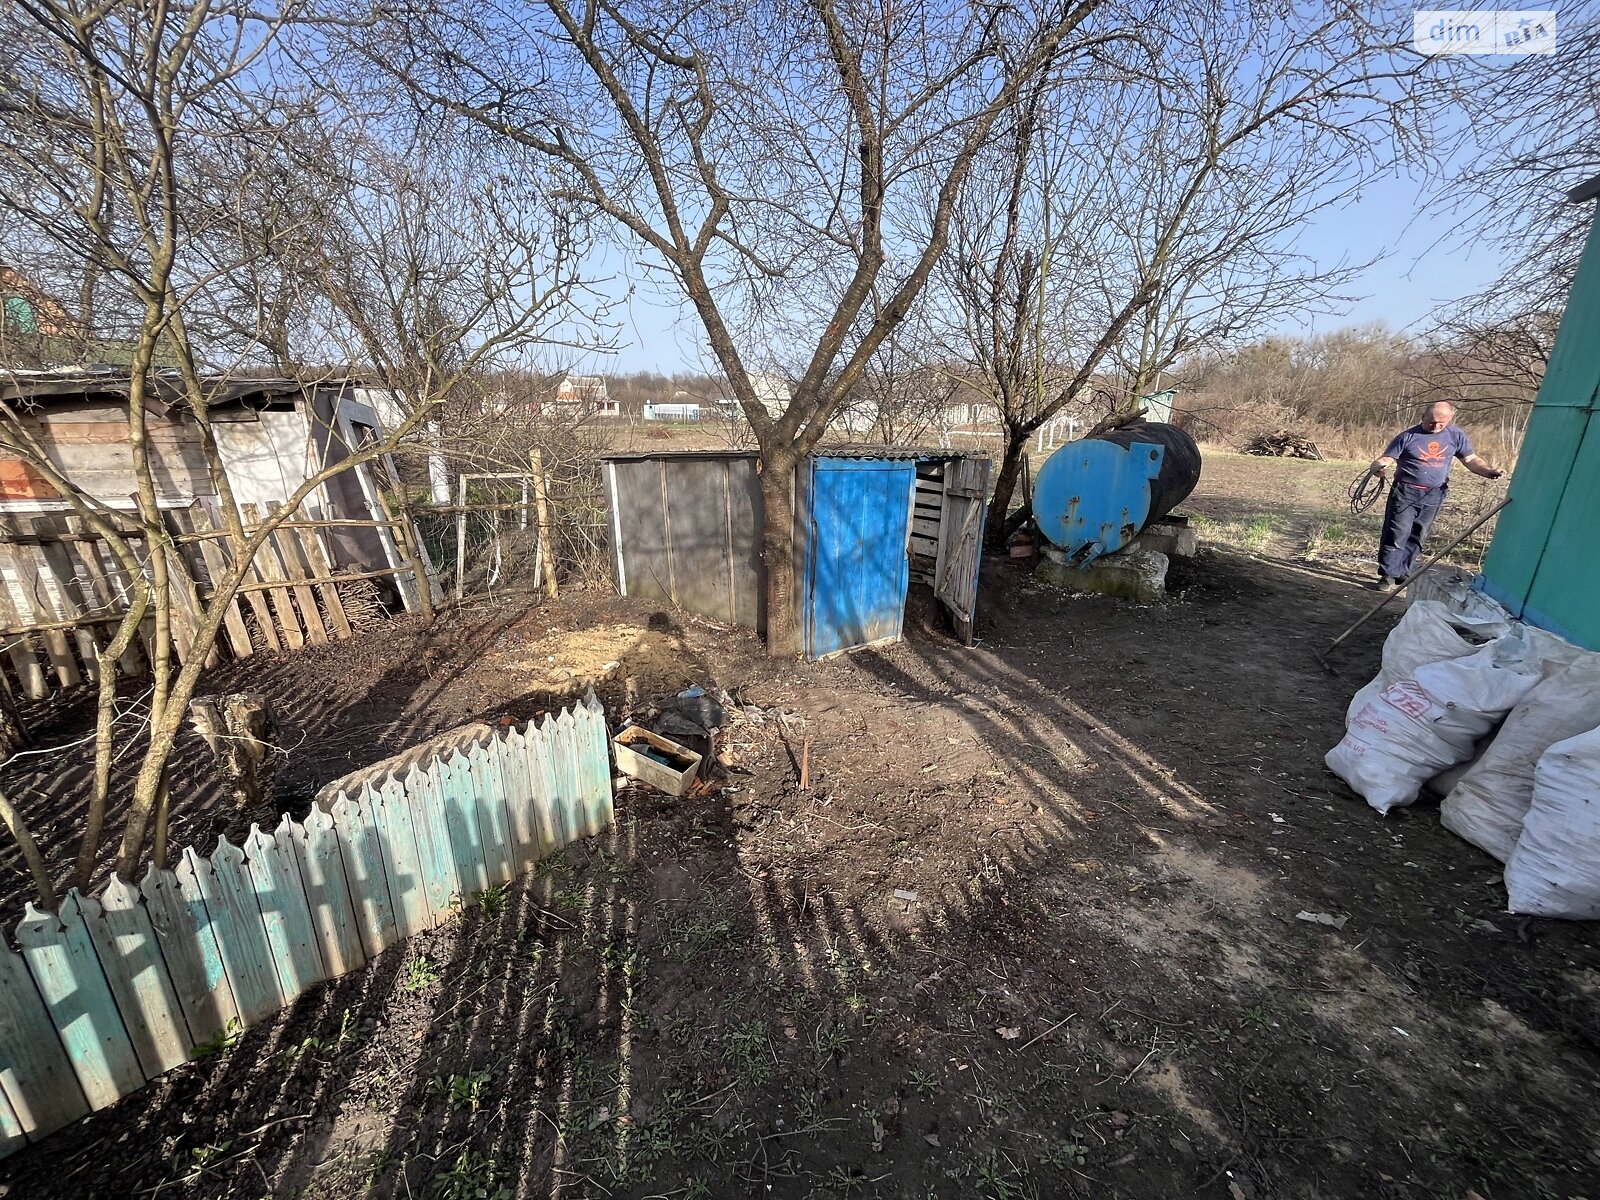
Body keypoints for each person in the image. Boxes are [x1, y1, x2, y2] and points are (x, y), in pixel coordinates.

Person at [1369, 401, 1503, 591]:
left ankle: (1404, 573)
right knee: (1397, 533)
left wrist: (1488, 471)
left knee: (1418, 534)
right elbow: (1388, 458)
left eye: (1442, 422)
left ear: (1450, 419)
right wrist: (1378, 465)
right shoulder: (1407, 436)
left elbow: (1471, 460)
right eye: (1432, 422)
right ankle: (1388, 575)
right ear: (1423, 416)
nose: (1436, 426)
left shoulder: (1455, 435)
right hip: (1405, 492)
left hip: (1435, 494)